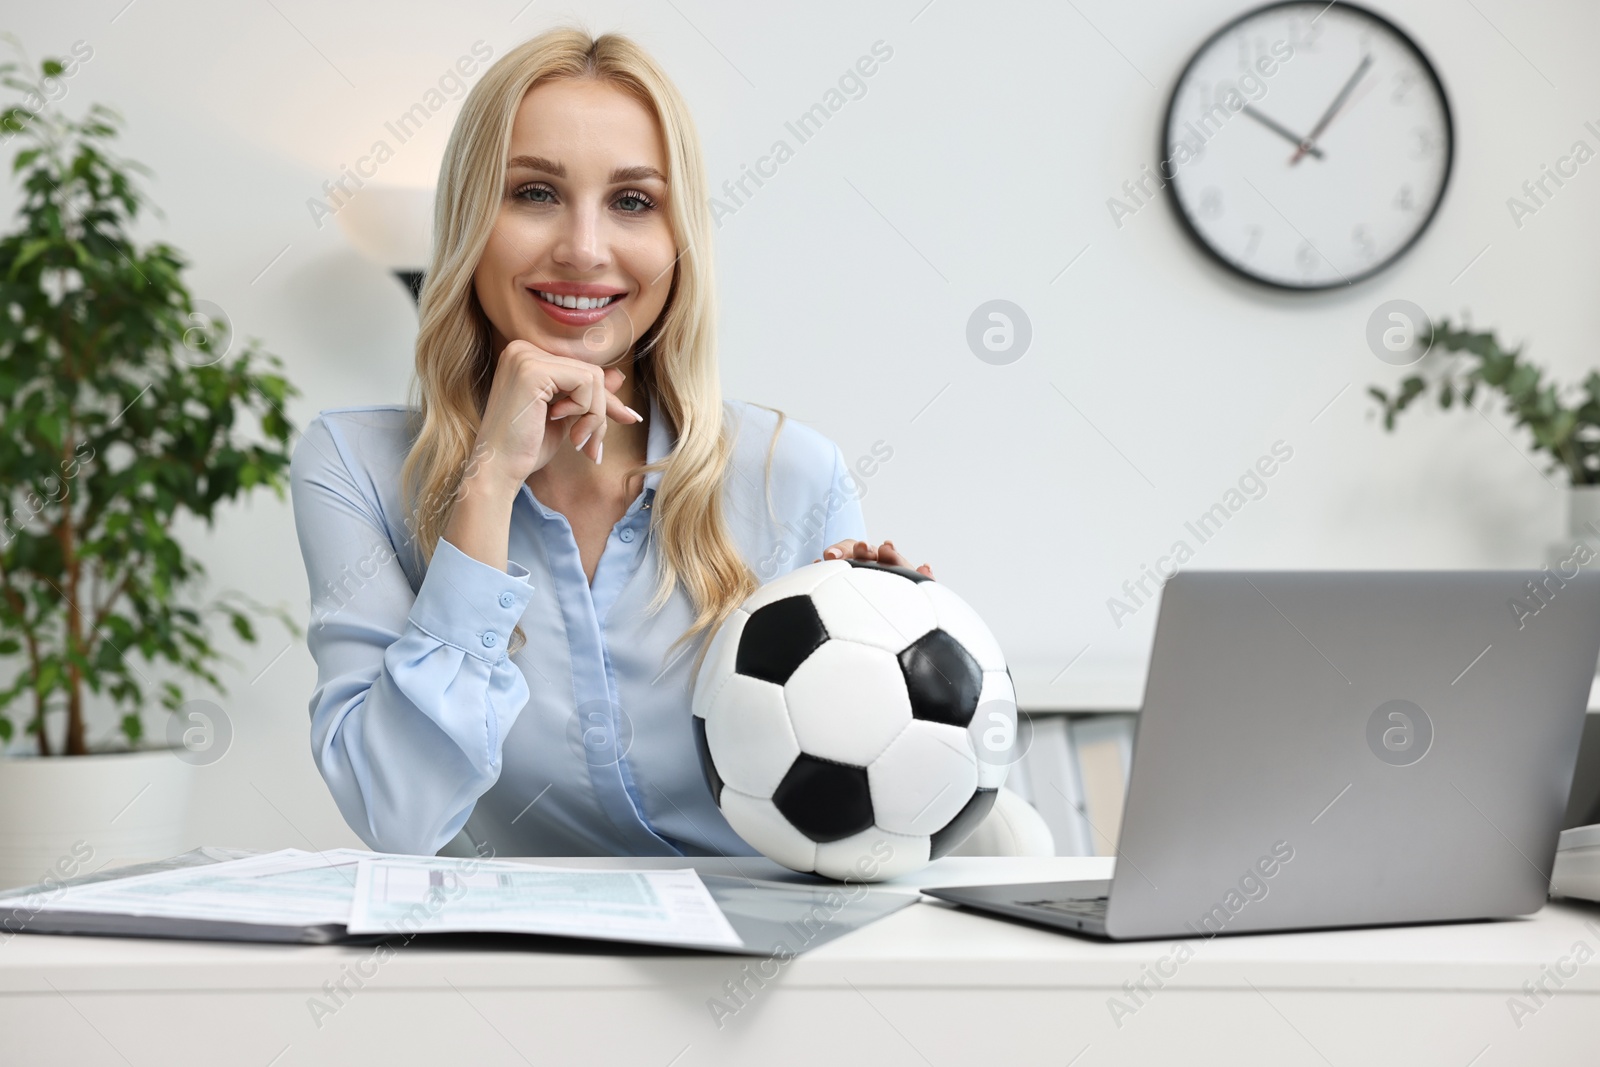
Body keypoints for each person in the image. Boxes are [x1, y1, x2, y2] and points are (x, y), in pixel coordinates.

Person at [289, 27, 933, 859]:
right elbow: (398, 815)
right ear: (469, 222)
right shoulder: (355, 469)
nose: (584, 250)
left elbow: (862, 830)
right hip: (503, 977)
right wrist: (486, 485)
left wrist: (886, 662)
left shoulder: (793, 476)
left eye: (633, 201)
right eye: (533, 193)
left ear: (677, 242)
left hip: (744, 968)